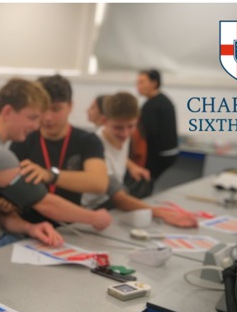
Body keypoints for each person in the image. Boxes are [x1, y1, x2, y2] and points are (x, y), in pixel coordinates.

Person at [0, 78, 112, 257]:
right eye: (32, 118)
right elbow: (44, 203)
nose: (36, 126)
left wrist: (30, 228)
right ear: (7, 112)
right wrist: (94, 217)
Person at [82, 92, 196, 228]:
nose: (125, 133)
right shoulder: (95, 145)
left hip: (112, 201)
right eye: (118, 128)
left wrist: (132, 166)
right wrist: (162, 213)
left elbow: (115, 154)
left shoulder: (121, 136)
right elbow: (117, 197)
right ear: (104, 121)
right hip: (95, 207)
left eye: (131, 126)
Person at [9, 75, 108, 216]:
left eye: (56, 109)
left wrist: (50, 175)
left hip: (70, 222)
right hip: (29, 223)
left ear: (70, 106)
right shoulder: (23, 139)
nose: (48, 118)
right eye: (43, 109)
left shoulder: (87, 140)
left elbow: (99, 183)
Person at [132, 68, 179, 186]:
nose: (138, 86)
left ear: (154, 83)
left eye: (142, 82)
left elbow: (147, 133)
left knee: (145, 183)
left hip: (159, 155)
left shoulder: (151, 105)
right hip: (169, 152)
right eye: (137, 82)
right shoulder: (163, 100)